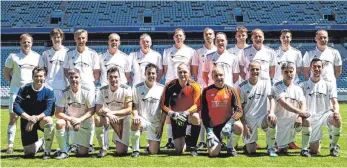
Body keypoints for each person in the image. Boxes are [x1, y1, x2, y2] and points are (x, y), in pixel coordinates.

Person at [3, 33, 41, 154]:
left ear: (32, 43)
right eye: (24, 42)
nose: (26, 44)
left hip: (31, 94)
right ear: (20, 43)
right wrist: (13, 84)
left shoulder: (37, 57)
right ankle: (10, 145)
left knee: (33, 119)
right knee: (13, 118)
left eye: (29, 42)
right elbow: (6, 73)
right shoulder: (13, 57)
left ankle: (37, 142)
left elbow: (40, 74)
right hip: (16, 92)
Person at [64, 29, 100, 151]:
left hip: (88, 88)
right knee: (72, 114)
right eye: (78, 38)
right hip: (74, 88)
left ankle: (88, 143)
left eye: (83, 38)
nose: (81, 40)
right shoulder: (69, 54)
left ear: (87, 38)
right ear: (75, 39)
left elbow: (96, 73)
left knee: (90, 115)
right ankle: (73, 144)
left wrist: (87, 83)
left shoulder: (93, 54)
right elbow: (66, 71)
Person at [299, 58, 342, 157]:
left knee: (337, 119)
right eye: (314, 66)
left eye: (319, 66)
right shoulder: (303, 85)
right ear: (310, 68)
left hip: (325, 115)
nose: (317, 68)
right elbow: (301, 103)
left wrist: (336, 111)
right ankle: (310, 146)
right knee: (315, 151)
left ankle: (333, 147)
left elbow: (334, 102)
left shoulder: (329, 85)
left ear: (322, 69)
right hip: (311, 117)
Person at [162, 28, 196, 149]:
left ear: (184, 37)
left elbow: (192, 70)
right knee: (169, 112)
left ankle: (186, 136)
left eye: (181, 35)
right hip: (171, 84)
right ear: (173, 37)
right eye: (176, 35)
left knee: (186, 110)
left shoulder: (191, 51)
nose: (179, 37)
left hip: (185, 85)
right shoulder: (167, 51)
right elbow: (166, 70)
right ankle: (170, 139)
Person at [13, 67, 55, 159]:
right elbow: (16, 106)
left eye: (41, 76)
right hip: (27, 121)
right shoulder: (24, 88)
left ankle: (47, 153)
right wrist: (29, 118)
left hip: (41, 120)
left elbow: (49, 110)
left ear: (44, 77)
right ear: (32, 77)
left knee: (49, 120)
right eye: (36, 76)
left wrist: (35, 118)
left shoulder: (49, 91)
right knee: (29, 154)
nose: (38, 78)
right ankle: (41, 142)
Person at [201, 67, 243, 157]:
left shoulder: (232, 90)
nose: (219, 77)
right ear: (212, 77)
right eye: (216, 75)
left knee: (239, 126)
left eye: (221, 75)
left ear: (224, 75)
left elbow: (239, 110)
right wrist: (209, 130)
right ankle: (218, 141)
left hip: (228, 126)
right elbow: (204, 113)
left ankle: (230, 147)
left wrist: (230, 123)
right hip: (214, 128)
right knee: (213, 153)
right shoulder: (206, 91)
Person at [160, 63, 201, 156]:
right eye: (180, 72)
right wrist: (172, 114)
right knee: (179, 150)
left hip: (189, 116)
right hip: (176, 118)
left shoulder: (195, 86)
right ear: (176, 73)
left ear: (189, 73)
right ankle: (186, 139)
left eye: (185, 72)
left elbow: (197, 105)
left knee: (196, 116)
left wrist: (186, 112)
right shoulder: (169, 86)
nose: (182, 74)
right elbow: (163, 105)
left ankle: (193, 147)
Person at [237, 61, 277, 157]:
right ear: (248, 70)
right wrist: (244, 125)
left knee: (273, 120)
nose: (255, 71)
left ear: (260, 70)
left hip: (262, 117)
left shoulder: (266, 83)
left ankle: (271, 148)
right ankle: (248, 145)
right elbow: (240, 108)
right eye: (252, 69)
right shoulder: (242, 87)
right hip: (249, 120)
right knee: (251, 151)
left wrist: (271, 112)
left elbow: (271, 98)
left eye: (257, 69)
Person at [55, 69, 96, 159]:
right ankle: (64, 151)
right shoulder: (64, 92)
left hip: (84, 122)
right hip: (70, 121)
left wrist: (79, 120)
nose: (74, 80)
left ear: (80, 78)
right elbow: (58, 113)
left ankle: (74, 146)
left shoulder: (87, 92)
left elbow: (92, 111)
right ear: (68, 79)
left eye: (76, 77)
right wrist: (71, 119)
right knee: (59, 123)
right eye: (71, 77)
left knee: (83, 154)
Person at [272, 62, 311, 157]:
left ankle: (304, 149)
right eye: (286, 72)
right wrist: (301, 112)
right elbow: (284, 104)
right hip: (281, 122)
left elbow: (303, 103)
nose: (289, 74)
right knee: (283, 151)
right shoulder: (277, 86)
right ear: (282, 72)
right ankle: (279, 143)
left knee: (307, 120)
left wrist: (300, 116)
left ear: (294, 72)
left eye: (291, 71)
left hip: (295, 121)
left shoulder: (298, 88)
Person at [94, 67, 133, 157]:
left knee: (121, 152)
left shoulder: (127, 89)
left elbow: (129, 109)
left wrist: (111, 113)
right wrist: (109, 115)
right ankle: (103, 148)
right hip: (108, 119)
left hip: (122, 121)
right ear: (107, 79)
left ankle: (119, 142)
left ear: (120, 77)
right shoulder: (102, 90)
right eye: (110, 77)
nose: (113, 79)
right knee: (97, 119)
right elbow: (98, 109)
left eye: (115, 77)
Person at [130, 63, 165, 157]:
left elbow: (164, 110)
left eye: (153, 73)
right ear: (145, 74)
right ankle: (135, 150)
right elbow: (134, 106)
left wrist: (161, 126)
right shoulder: (137, 88)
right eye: (148, 73)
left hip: (155, 123)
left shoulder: (162, 89)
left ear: (157, 75)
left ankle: (150, 146)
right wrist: (136, 115)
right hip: (142, 120)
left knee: (154, 152)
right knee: (135, 122)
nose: (151, 75)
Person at [191, 27, 217, 149]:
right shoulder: (198, 52)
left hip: (214, 86)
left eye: (210, 34)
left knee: (214, 113)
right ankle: (201, 140)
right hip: (202, 86)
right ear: (203, 36)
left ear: (214, 36)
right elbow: (196, 72)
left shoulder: (218, 50)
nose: (208, 36)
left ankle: (214, 138)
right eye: (206, 34)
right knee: (200, 113)